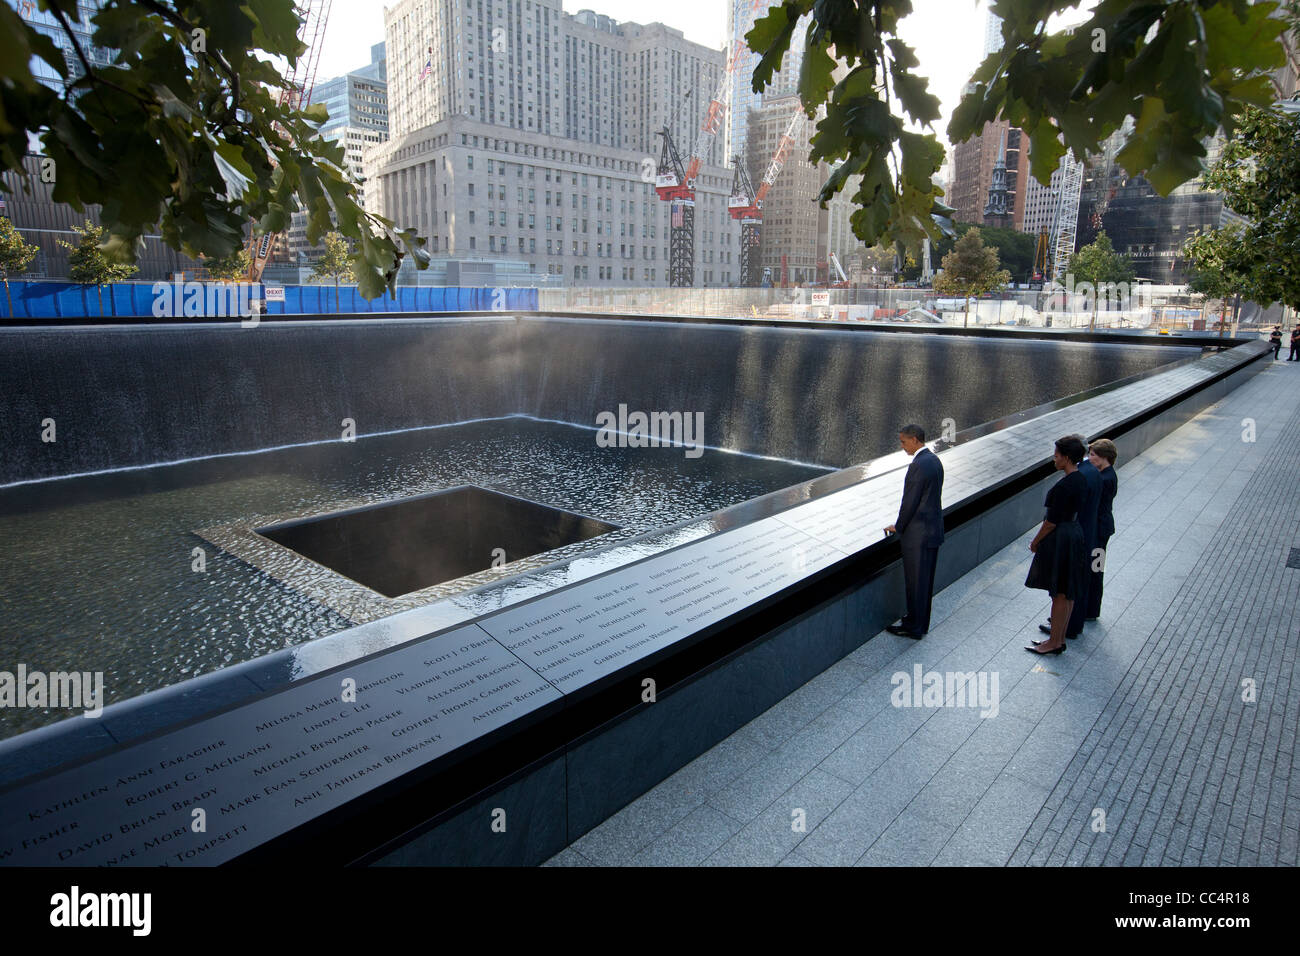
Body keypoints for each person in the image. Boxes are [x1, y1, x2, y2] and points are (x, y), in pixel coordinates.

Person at [1025, 436, 1089, 655]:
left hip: (1062, 538)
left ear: (1067, 457)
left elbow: (1050, 522)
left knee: (1059, 593)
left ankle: (1053, 642)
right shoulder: (1081, 478)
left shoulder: (1064, 485)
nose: (1054, 458)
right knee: (1067, 591)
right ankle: (1058, 639)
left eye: (1057, 454)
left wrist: (1035, 542)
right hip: (1074, 534)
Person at [884, 424, 945, 639]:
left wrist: (898, 527)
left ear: (915, 440)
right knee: (925, 583)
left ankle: (913, 628)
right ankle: (920, 623)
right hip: (932, 531)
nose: (902, 446)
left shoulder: (918, 466)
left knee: (915, 583)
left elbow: (909, 503)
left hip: (918, 536)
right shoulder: (934, 460)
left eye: (903, 441)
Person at [1053, 433, 1100, 639]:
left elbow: (1056, 516)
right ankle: (1074, 622)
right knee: (1082, 579)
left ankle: (1066, 628)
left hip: (1079, 534)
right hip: (1089, 531)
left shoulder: (1080, 477)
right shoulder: (1092, 472)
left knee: (1068, 586)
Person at [1086, 438, 1119, 620]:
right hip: (1103, 528)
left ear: (1104, 457)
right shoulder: (1108, 475)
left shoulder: (1104, 479)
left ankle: (1090, 610)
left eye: (1092, 455)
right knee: (1096, 569)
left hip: (1099, 530)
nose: (1089, 458)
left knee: (1095, 570)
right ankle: (1091, 610)